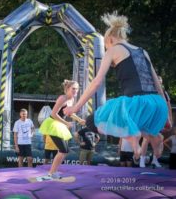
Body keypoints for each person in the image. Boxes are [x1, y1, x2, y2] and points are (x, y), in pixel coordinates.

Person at [64, 12, 170, 162]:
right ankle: (155, 137)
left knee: (93, 122)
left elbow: (96, 82)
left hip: (134, 102)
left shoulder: (113, 49)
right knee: (139, 124)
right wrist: (167, 115)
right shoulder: (143, 52)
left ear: (110, 39)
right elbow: (158, 85)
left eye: (106, 46)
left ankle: (133, 137)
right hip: (157, 104)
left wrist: (75, 108)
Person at [39, 80, 81, 179]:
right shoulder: (63, 98)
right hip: (53, 124)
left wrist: (80, 119)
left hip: (59, 125)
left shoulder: (71, 100)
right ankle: (51, 173)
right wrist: (66, 123)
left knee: (65, 150)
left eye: (77, 89)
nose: (75, 91)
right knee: (63, 150)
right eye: (73, 88)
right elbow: (53, 114)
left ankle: (53, 172)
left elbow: (69, 113)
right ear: (67, 89)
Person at [139, 76, 172, 168]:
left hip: (160, 119)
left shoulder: (164, 93)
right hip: (150, 118)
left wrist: (169, 118)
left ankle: (155, 160)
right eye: (158, 81)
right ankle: (142, 160)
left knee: (159, 140)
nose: (159, 83)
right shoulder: (149, 91)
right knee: (146, 139)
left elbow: (168, 105)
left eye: (160, 81)